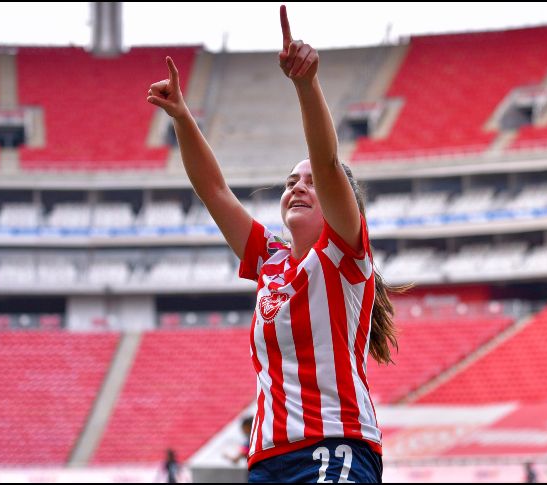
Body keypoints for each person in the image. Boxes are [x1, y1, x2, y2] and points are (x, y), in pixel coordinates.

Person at [147, 5, 398, 482]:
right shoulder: (270, 260)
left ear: (341, 202)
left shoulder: (345, 257)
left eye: (311, 183)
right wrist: (182, 117)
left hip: (336, 446)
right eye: (289, 181)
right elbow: (215, 191)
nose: (298, 186)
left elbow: (327, 162)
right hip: (266, 460)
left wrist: (305, 84)